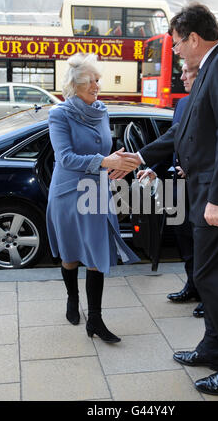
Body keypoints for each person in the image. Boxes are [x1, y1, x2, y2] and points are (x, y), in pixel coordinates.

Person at [107, 3, 218, 395]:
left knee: (216, 284)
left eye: (178, 43)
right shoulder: (211, 69)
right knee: (208, 281)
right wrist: (139, 157)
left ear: (194, 38)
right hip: (207, 196)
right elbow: (184, 133)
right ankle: (214, 348)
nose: (176, 50)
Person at [46, 53, 139, 344]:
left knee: (98, 254)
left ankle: (95, 320)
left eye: (98, 80)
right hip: (68, 192)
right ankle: (73, 300)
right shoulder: (59, 114)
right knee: (71, 255)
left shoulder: (101, 111)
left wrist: (118, 163)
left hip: (97, 191)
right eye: (91, 81)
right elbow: (66, 158)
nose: (97, 85)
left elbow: (105, 151)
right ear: (76, 84)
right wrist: (105, 161)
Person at [137, 62, 204, 318]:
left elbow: (217, 147)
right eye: (183, 72)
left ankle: (209, 299)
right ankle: (192, 286)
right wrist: (154, 168)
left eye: (188, 73)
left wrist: (193, 166)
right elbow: (173, 145)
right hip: (178, 188)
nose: (182, 77)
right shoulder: (183, 104)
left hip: (201, 188)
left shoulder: (211, 105)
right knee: (184, 239)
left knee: (203, 245)